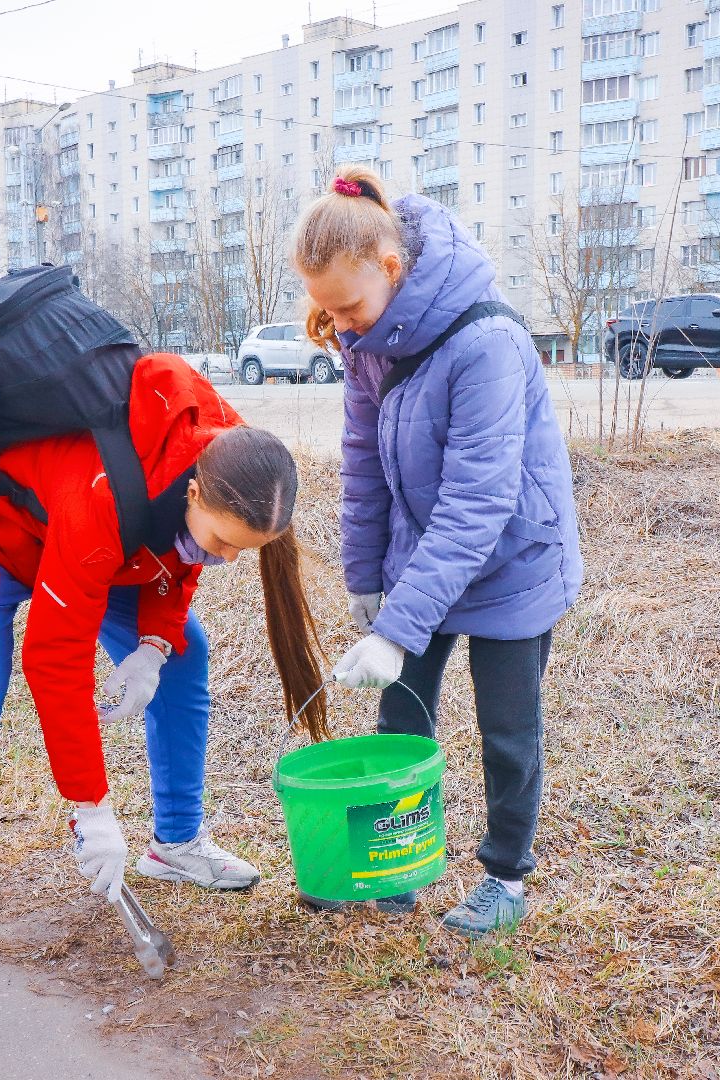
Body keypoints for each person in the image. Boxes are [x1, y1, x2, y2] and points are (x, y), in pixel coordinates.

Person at [0, 351, 326, 1015]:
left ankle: (175, 844)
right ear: (194, 492)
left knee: (184, 656)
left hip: (100, 542)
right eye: (222, 543)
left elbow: (180, 557)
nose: (228, 559)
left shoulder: (233, 455)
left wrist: (154, 645)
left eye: (242, 549)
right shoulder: (103, 497)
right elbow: (53, 661)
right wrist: (91, 809)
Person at [293, 167, 582, 938]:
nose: (340, 325)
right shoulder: (368, 342)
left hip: (514, 560)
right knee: (401, 720)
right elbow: (362, 463)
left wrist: (396, 629)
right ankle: (395, 862)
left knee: (507, 729)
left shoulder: (488, 342)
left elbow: (478, 504)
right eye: (328, 310)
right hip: (424, 556)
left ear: (391, 267)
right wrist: (365, 580)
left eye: (348, 307)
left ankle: (505, 877)